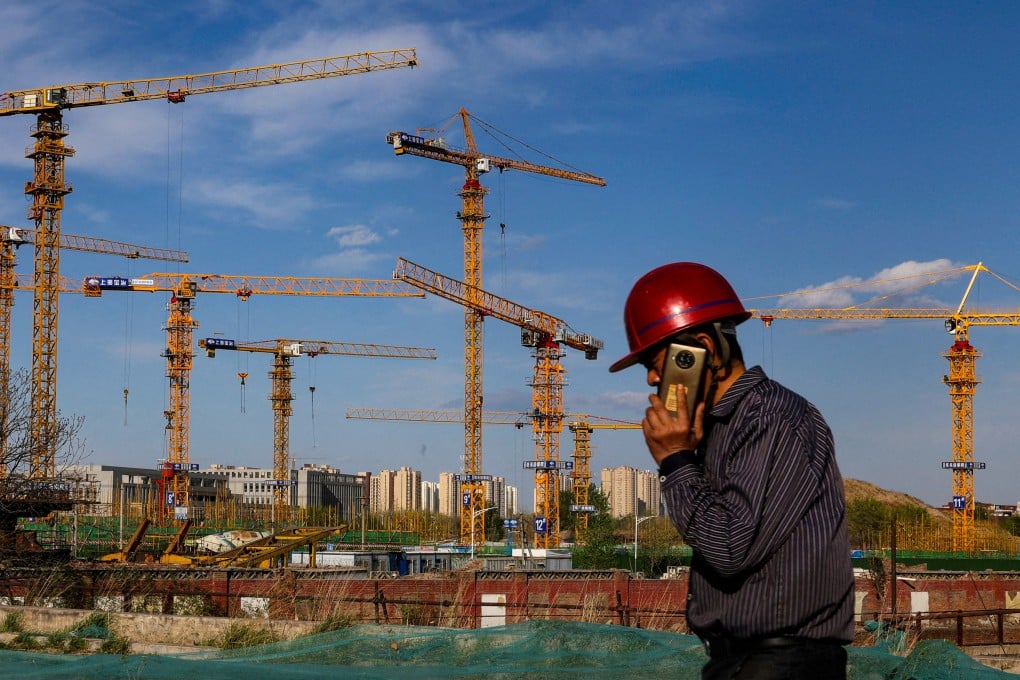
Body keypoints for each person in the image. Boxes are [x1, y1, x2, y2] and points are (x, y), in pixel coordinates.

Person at [609, 262, 855, 680]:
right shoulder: (718, 428)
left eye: (657, 361)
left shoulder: (771, 417)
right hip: (746, 662)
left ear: (703, 347)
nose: (652, 378)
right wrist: (691, 451)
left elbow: (728, 546)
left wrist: (676, 459)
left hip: (783, 664)